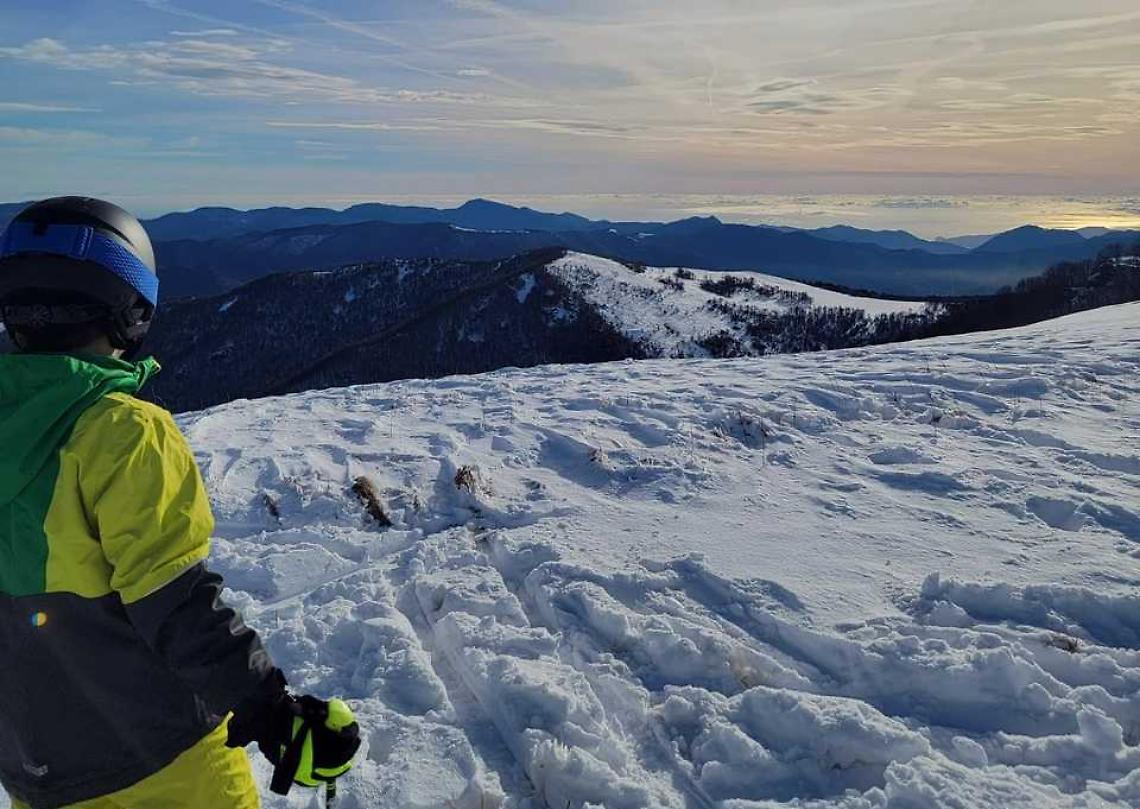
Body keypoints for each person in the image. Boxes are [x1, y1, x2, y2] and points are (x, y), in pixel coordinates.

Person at [0, 197, 359, 809]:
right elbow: (174, 601)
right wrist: (269, 708)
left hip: (38, 772)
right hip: (163, 761)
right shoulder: (120, 432)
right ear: (131, 311)